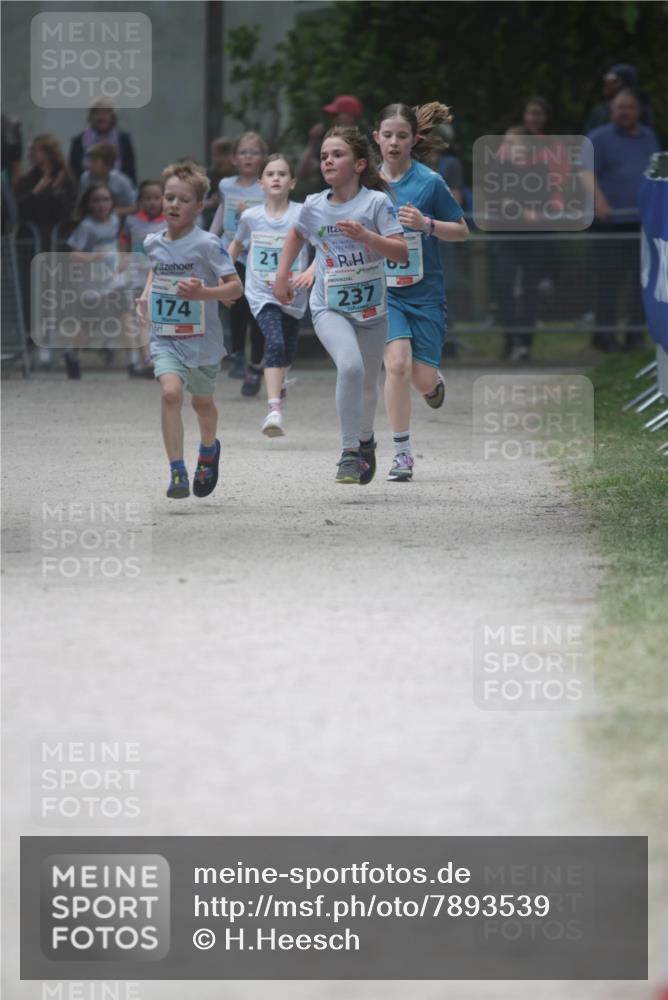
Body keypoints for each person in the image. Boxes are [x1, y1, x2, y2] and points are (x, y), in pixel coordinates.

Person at [274, 125, 408, 485]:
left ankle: (366, 441)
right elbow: (296, 234)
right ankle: (349, 452)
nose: (328, 161)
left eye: (337, 154)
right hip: (328, 306)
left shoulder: (376, 204)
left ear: (360, 163)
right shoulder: (315, 205)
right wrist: (282, 275)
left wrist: (366, 236)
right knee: (349, 368)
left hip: (372, 311)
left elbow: (400, 251)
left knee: (366, 384)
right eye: (323, 156)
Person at [136, 161, 243, 500]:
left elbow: (235, 288)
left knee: (202, 403)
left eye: (182, 200)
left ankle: (209, 450)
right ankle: (177, 470)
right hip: (166, 337)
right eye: (169, 198)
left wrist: (205, 294)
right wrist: (145, 294)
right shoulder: (152, 242)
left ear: (198, 207)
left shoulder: (208, 244)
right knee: (170, 393)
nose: (172, 205)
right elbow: (157, 270)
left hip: (202, 342)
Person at [374, 102, 468, 481]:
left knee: (420, 379)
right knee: (395, 365)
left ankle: (434, 384)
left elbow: (462, 230)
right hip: (386, 293)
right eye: (387, 135)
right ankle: (402, 452)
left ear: (414, 140)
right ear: (375, 138)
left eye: (401, 136)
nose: (394, 143)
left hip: (425, 294)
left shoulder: (429, 182)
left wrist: (426, 223)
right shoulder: (367, 186)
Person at [228, 154, 314, 437]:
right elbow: (236, 245)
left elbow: (324, 246)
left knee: (287, 350)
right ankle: (273, 410)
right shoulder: (251, 217)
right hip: (261, 293)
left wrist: (311, 270)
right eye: (270, 174)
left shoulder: (302, 214)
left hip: (293, 295)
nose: (276, 178)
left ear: (292, 182)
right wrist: (225, 274)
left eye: (282, 173)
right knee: (273, 342)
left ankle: (281, 381)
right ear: (260, 183)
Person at [585, 89, 660, 350]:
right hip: (610, 225)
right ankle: (604, 334)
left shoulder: (649, 137)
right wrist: (599, 201)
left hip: (642, 224)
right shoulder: (599, 138)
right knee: (608, 282)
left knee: (641, 280)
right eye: (619, 107)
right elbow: (584, 172)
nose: (624, 112)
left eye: (629, 107)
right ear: (611, 111)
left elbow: (657, 172)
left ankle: (635, 334)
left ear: (638, 111)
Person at [209, 131, 267, 391]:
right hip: (231, 252)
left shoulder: (267, 185)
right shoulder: (226, 185)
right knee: (235, 304)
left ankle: (256, 364)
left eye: (254, 152)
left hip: (260, 255)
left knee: (258, 312)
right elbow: (222, 212)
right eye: (243, 152)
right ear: (234, 158)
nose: (248, 157)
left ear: (263, 158)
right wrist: (209, 239)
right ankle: (238, 356)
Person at [65, 183, 124, 379]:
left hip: (113, 279)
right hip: (91, 282)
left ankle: (139, 361)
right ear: (89, 204)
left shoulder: (115, 220)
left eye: (105, 200)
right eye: (96, 201)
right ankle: (72, 354)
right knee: (88, 324)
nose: (101, 205)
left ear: (112, 202)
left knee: (127, 313)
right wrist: (92, 258)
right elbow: (74, 254)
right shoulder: (86, 226)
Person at [119, 180, 166, 376]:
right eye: (147, 198)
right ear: (140, 200)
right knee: (138, 316)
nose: (152, 202)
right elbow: (123, 241)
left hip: (160, 276)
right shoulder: (131, 221)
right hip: (136, 276)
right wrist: (122, 261)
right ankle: (142, 359)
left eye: (157, 197)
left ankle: (151, 357)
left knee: (155, 318)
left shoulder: (168, 221)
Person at [15, 134, 77, 248]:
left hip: (59, 238)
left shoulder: (65, 178)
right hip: (33, 238)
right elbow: (20, 210)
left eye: (34, 150)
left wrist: (57, 189)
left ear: (48, 153)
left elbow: (68, 212)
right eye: (29, 150)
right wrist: (36, 191)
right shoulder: (26, 180)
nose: (29, 154)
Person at [295, 95, 363, 195]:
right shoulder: (327, 145)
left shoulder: (362, 145)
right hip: (329, 203)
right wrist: (312, 142)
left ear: (350, 116)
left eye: (336, 115)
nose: (332, 119)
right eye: (331, 116)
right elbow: (302, 172)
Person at [69, 100, 137, 183]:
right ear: (90, 117)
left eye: (105, 113)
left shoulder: (123, 139)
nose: (101, 117)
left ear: (112, 116)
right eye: (97, 113)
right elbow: (73, 171)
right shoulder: (78, 141)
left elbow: (130, 170)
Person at [584, 64, 654, 134]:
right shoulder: (599, 110)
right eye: (606, 79)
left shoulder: (641, 112)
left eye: (614, 81)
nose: (607, 84)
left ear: (627, 85)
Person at [79, 142, 137, 217]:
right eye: (89, 160)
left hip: (118, 220)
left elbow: (135, 207)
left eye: (94, 161)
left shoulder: (121, 181)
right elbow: (82, 204)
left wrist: (113, 212)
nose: (89, 165)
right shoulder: (85, 178)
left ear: (107, 165)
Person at [202, 137, 235, 229]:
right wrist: (211, 203)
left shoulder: (240, 177)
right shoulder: (208, 176)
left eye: (223, 155)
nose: (218, 159)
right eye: (215, 155)